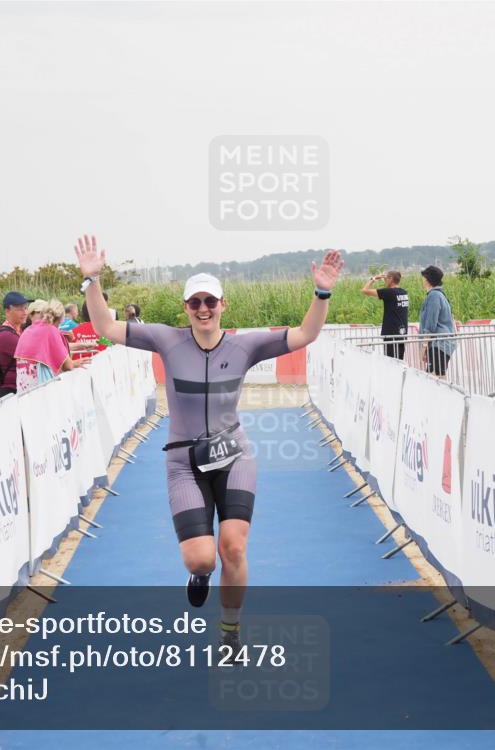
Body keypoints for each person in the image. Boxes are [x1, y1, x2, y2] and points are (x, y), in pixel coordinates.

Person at [74, 234, 343, 652]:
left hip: (233, 456)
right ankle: (200, 574)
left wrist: (321, 292)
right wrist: (92, 281)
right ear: (185, 307)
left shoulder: (245, 345)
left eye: (210, 301)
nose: (203, 308)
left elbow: (307, 333)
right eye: (195, 302)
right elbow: (105, 327)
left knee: (233, 546)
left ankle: (230, 632)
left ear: (223, 305)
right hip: (183, 463)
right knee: (202, 558)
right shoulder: (166, 339)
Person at [14, 299, 77, 392]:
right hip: (40, 390)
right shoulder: (51, 330)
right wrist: (78, 363)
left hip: (23, 390)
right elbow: (68, 365)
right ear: (60, 319)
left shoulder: (28, 330)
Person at [418, 265, 457, 377]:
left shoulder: (434, 296)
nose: (423, 280)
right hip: (443, 343)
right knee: (437, 376)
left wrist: (424, 347)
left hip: (439, 344)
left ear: (427, 279)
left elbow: (430, 325)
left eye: (424, 277)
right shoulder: (441, 295)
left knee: (436, 378)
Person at [362, 270, 408, 359]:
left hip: (391, 334)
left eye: (386, 278)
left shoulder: (389, 292)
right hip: (402, 333)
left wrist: (374, 278)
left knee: (391, 362)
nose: (385, 281)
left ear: (391, 279)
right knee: (399, 361)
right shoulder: (404, 292)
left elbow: (365, 290)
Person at [0, 291, 31, 397]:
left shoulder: (19, 331)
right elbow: (33, 355)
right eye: (20, 309)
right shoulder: (6, 335)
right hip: (11, 392)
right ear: (7, 311)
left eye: (26, 308)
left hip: (19, 388)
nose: (25, 312)